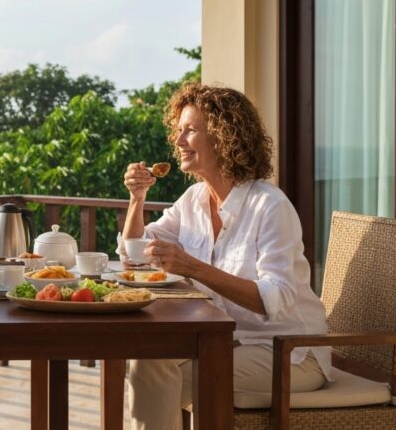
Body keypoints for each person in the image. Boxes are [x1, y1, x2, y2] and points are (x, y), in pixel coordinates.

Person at [119, 83, 331, 429]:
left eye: (190, 131)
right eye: (178, 130)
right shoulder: (194, 199)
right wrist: (137, 199)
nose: (178, 140)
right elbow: (135, 257)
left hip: (289, 353)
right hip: (225, 344)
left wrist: (193, 267)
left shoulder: (270, 205)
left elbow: (273, 300)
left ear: (223, 136)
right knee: (148, 361)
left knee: (178, 378)